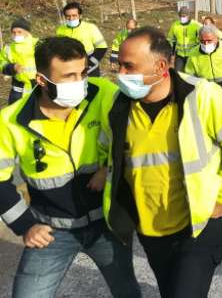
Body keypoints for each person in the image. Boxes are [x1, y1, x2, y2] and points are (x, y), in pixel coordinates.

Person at [106, 27, 222, 298]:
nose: (121, 74)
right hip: (151, 230)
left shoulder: (201, 96)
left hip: (200, 226)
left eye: (129, 66)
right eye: (119, 66)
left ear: (161, 66)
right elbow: (113, 156)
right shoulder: (119, 106)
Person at [0, 36, 140, 298]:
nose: (80, 83)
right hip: (52, 231)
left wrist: (106, 167)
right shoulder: (11, 121)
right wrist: (25, 225)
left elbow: (136, 135)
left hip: (105, 225)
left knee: (127, 290)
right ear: (42, 80)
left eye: (83, 72)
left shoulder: (103, 93)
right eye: (68, 76)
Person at [55, 2, 108, 77]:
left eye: (74, 15)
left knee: (91, 87)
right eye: (68, 16)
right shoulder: (60, 30)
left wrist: (89, 64)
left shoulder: (90, 27)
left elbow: (102, 48)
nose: (71, 19)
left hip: (90, 68)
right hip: (69, 67)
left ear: (80, 15)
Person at [1, 18, 38, 104]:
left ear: (27, 32)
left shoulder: (38, 44)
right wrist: (11, 67)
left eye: (19, 32)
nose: (16, 35)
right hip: (18, 90)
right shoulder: (8, 48)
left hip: (38, 86)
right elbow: (1, 63)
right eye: (13, 32)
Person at [167, 8, 202, 72]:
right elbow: (171, 39)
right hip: (180, 55)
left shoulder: (196, 25)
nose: (182, 18)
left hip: (193, 55)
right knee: (178, 74)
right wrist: (171, 52)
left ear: (188, 16)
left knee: (191, 74)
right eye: (180, 16)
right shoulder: (175, 25)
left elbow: (201, 39)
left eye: (184, 16)